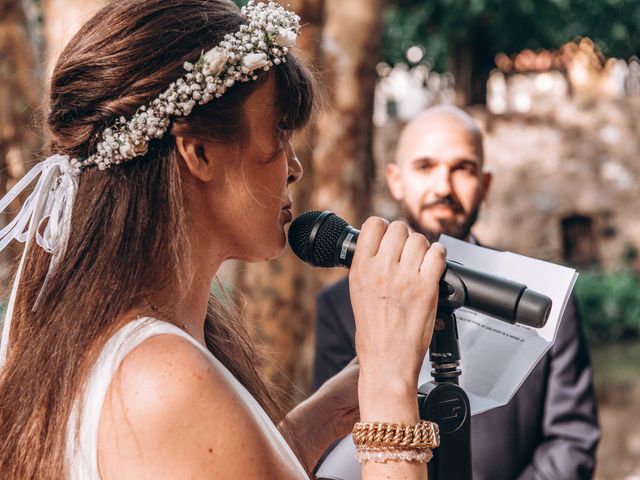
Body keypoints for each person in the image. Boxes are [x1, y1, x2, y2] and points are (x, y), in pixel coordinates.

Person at [0, 1, 446, 479]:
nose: (294, 168)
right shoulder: (160, 381)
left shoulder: (139, 351)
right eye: (278, 134)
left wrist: (323, 418)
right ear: (198, 152)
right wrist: (388, 389)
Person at [313, 105, 601, 479]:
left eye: (461, 168)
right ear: (395, 180)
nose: (443, 187)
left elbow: (571, 439)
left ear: (485, 185)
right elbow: (338, 438)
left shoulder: (541, 293)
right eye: (425, 167)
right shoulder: (337, 304)